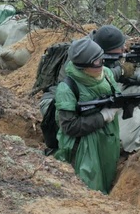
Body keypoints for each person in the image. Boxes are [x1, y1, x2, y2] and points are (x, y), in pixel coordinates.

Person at [52, 38, 122, 194]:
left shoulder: (107, 74)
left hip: (108, 141)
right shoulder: (67, 88)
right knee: (89, 190)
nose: (101, 64)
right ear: (82, 67)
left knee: (109, 178)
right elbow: (69, 126)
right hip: (83, 148)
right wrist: (102, 117)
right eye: (96, 62)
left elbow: (118, 98)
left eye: (102, 59)